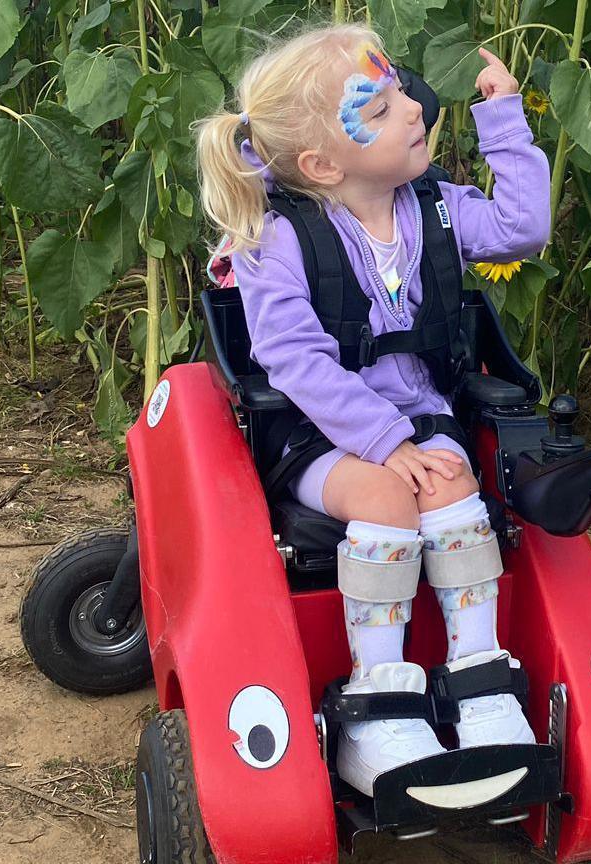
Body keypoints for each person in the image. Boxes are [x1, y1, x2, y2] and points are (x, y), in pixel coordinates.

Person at [194, 24, 551, 797]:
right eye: (383, 108)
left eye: (400, 93)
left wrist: (506, 122)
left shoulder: (436, 211)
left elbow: (523, 229)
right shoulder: (276, 242)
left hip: (419, 425)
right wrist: (384, 442)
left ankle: (480, 686)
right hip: (316, 436)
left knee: (455, 482)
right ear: (325, 163)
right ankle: (377, 707)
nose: (415, 110)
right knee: (390, 492)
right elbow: (293, 361)